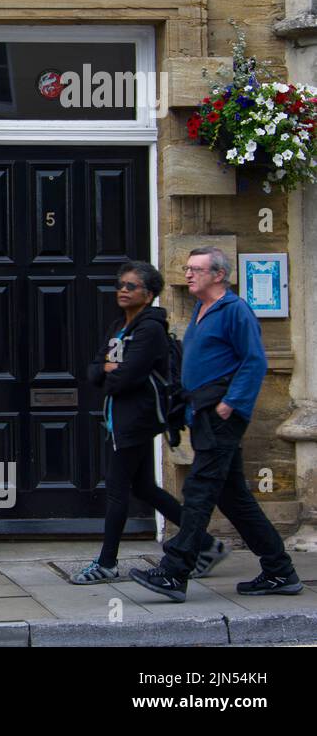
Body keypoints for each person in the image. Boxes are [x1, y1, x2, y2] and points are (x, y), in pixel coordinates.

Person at [130, 246, 302, 601]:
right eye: (188, 268)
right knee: (234, 497)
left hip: (221, 415)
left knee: (199, 490)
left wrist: (231, 404)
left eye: (196, 269)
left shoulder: (234, 310)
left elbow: (254, 361)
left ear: (218, 275)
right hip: (203, 413)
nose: (188, 274)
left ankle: (175, 572)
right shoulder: (201, 310)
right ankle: (279, 571)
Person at [70, 262, 227, 584]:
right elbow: (93, 369)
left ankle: (107, 563)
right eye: (120, 285)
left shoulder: (150, 329)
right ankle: (207, 544)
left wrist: (110, 371)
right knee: (143, 487)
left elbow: (125, 378)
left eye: (131, 286)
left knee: (117, 490)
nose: (122, 291)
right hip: (121, 417)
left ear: (149, 293)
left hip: (137, 419)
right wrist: (107, 370)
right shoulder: (120, 327)